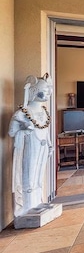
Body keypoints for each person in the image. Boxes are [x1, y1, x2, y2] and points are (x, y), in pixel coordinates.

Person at [8, 73, 53, 218]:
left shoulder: (44, 112)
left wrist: (50, 144)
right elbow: (11, 132)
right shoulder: (22, 113)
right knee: (28, 174)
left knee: (39, 175)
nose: (48, 94)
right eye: (45, 91)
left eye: (48, 91)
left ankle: (37, 201)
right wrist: (25, 127)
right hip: (30, 146)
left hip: (43, 146)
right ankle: (27, 206)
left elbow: (45, 130)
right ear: (33, 91)